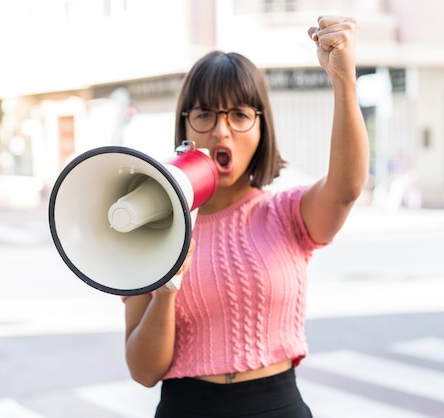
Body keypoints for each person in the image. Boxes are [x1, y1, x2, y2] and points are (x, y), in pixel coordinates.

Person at [123, 15, 369, 418]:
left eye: (239, 115)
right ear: (185, 126)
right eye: (204, 114)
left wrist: (344, 79)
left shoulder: (286, 214)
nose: (221, 131)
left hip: (276, 405)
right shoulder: (148, 231)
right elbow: (144, 371)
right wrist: (167, 288)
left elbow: (346, 188)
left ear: (261, 129)